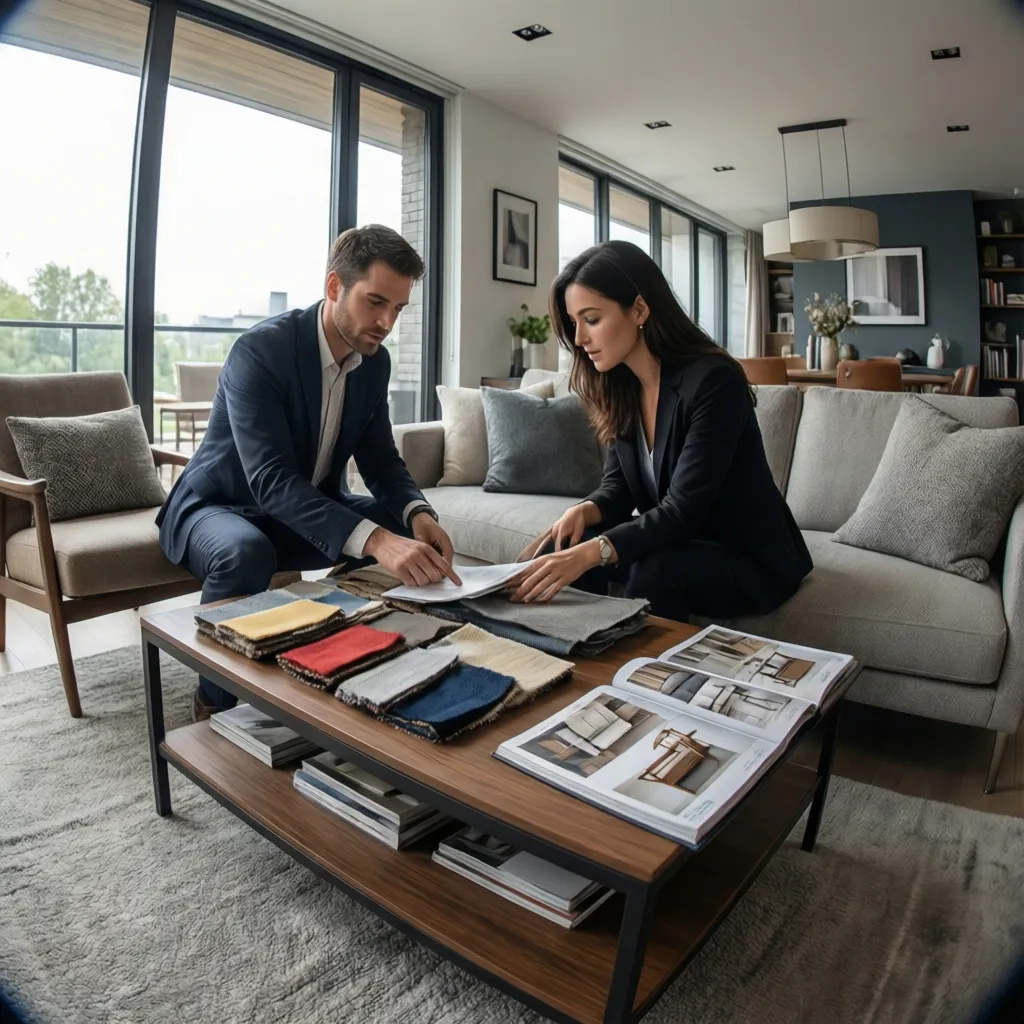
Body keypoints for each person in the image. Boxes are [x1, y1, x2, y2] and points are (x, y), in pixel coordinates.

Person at [157, 225, 459, 719]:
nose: (386, 322)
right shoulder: (260, 352)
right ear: (335, 287)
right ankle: (213, 706)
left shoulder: (373, 363)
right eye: (375, 302)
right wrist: (378, 542)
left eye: (398, 309)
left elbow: (381, 457)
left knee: (400, 524)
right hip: (219, 507)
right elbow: (271, 480)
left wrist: (419, 516)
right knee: (246, 551)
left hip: (298, 514)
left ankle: (351, 660)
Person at [511, 240, 812, 621]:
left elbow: (681, 511)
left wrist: (591, 553)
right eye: (574, 324)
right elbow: (618, 489)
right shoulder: (622, 386)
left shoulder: (713, 382)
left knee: (652, 570)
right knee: (572, 541)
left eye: (592, 319)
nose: (581, 339)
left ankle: (641, 676)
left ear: (639, 308)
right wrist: (585, 510)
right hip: (681, 541)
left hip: (745, 556)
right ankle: (566, 652)